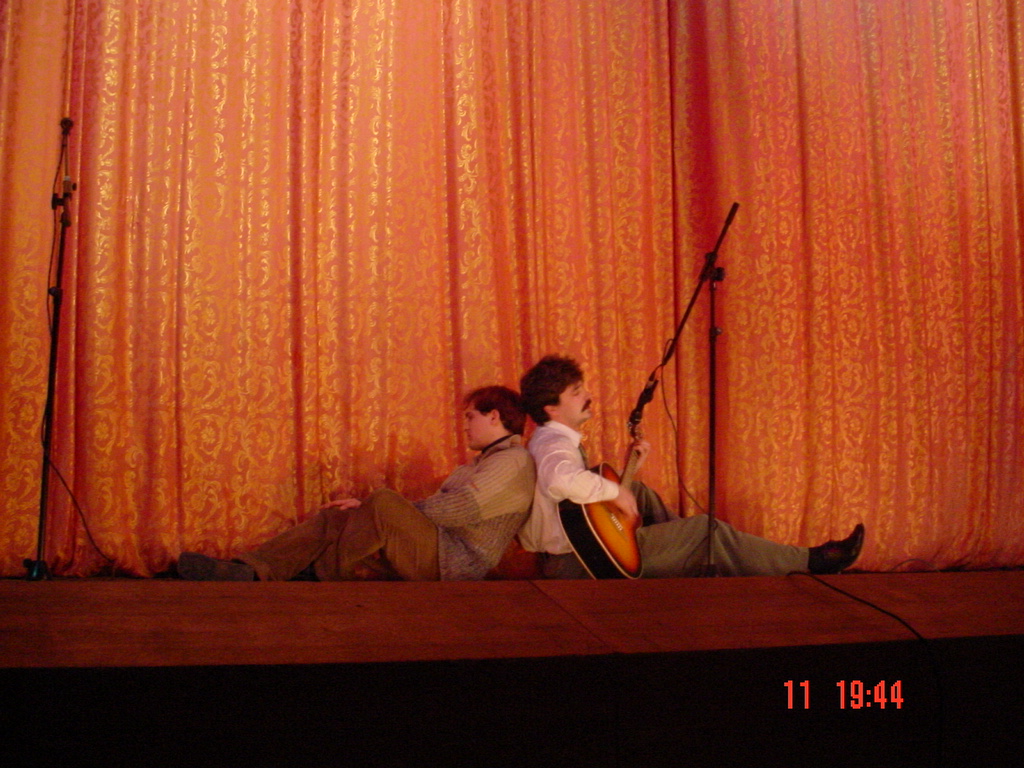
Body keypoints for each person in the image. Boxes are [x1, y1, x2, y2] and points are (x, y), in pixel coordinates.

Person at [517, 355, 864, 579]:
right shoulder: (552, 443)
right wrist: (615, 491)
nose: (587, 395)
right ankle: (809, 562)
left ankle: (693, 550)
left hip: (578, 551)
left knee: (638, 492)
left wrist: (629, 472)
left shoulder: (555, 439)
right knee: (705, 531)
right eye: (576, 392)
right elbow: (560, 479)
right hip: (576, 564)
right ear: (551, 408)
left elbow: (577, 508)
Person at [177, 385, 536, 582]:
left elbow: (460, 509)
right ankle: (250, 571)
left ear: (494, 416)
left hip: (455, 566)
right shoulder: (477, 464)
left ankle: (320, 575)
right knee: (339, 516)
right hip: (437, 550)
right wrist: (366, 512)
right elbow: (436, 511)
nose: (465, 425)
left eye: (470, 417)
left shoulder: (513, 461)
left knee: (382, 500)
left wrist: (380, 510)